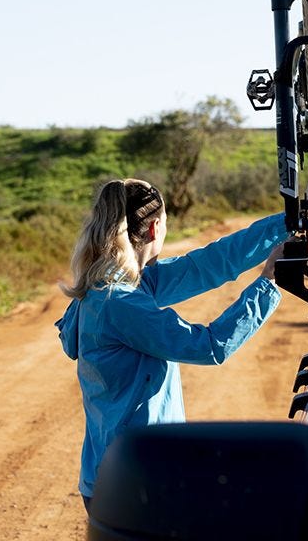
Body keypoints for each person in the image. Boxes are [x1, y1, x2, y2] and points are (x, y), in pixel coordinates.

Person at [55, 178, 287, 510]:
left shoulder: (118, 286)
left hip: (122, 473)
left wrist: (289, 223)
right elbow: (209, 346)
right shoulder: (120, 302)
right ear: (154, 228)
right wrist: (268, 283)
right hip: (138, 480)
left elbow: (210, 264)